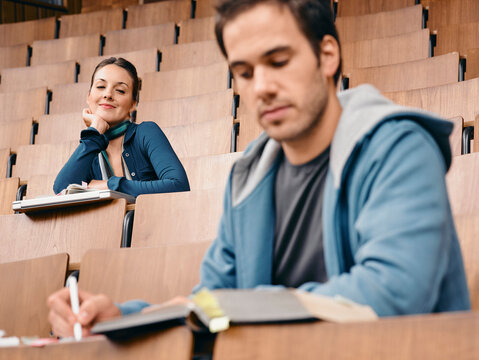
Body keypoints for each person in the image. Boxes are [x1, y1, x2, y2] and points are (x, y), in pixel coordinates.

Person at [47, 0, 470, 338]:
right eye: (244, 72)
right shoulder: (248, 178)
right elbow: (212, 301)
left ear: (327, 56)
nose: (261, 87)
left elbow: (393, 294)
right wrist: (125, 316)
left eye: (279, 61)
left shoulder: (397, 148)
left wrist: (240, 305)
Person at [53, 57, 190, 198]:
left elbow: (178, 185)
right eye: (100, 87)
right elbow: (61, 190)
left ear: (133, 103)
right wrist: (94, 133)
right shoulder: (90, 148)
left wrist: (110, 185)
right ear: (88, 97)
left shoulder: (146, 132)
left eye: (120, 90)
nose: (107, 95)